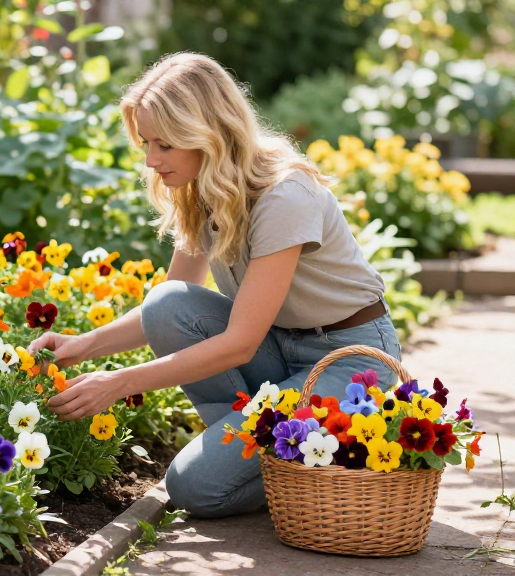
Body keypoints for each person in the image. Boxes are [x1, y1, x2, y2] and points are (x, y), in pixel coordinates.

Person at [28, 52, 402, 519]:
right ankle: (265, 453)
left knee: (194, 489)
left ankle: (332, 461)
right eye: (146, 142)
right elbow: (166, 308)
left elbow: (238, 345)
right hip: (280, 347)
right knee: (166, 303)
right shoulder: (204, 190)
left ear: (205, 134)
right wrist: (80, 347)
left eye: (163, 144)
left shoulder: (284, 195)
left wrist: (119, 383)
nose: (151, 159)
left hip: (347, 361)